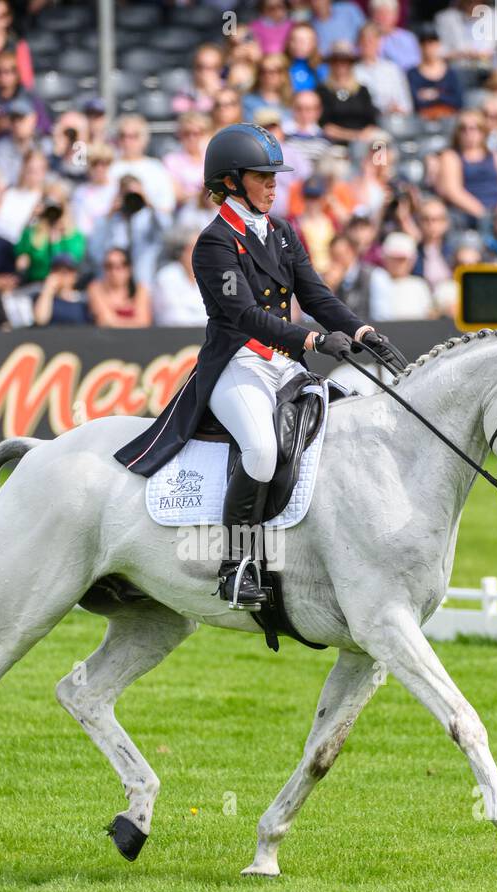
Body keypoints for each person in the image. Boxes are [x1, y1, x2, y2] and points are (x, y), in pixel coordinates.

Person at [113, 123, 392, 608]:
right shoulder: (215, 242)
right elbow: (244, 315)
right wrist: (313, 338)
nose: (273, 184)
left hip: (283, 364)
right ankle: (235, 565)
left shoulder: (281, 232)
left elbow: (316, 294)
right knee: (261, 450)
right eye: (262, 175)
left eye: (274, 175)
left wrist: (361, 330)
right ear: (231, 181)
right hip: (237, 364)